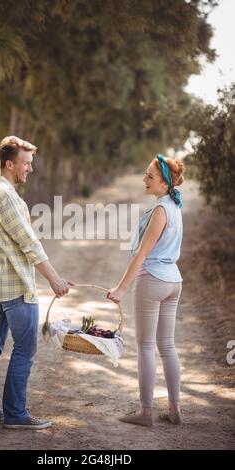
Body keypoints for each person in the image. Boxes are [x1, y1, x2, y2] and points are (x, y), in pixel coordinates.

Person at [0, 135, 73, 430]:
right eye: (26, 163)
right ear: (10, 163)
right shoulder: (6, 197)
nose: (31, 169)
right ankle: (15, 415)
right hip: (15, 286)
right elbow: (30, 244)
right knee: (25, 349)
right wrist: (54, 279)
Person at [107, 154, 185, 426]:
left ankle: (146, 412)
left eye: (150, 176)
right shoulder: (174, 207)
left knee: (146, 347)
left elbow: (141, 255)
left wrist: (121, 288)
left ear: (165, 184)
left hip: (153, 280)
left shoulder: (161, 211)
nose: (145, 179)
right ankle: (175, 410)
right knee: (167, 346)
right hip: (173, 281)